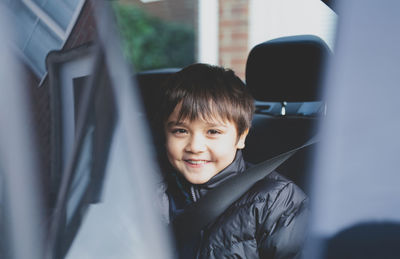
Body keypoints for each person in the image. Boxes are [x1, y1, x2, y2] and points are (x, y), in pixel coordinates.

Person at [157, 63, 308, 259]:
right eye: (180, 131)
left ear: (241, 137)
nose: (195, 146)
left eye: (213, 132)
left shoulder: (277, 202)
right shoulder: (147, 191)